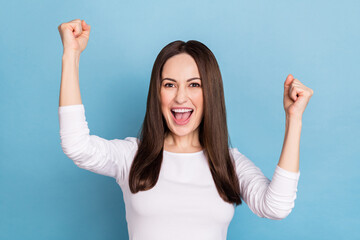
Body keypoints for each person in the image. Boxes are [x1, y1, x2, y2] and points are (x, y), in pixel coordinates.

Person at [57, 19, 314, 240]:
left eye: (194, 85)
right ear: (157, 93)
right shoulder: (132, 156)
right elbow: (77, 146)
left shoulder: (228, 163)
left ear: (210, 93)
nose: (181, 98)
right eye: (169, 85)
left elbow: (276, 206)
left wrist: (294, 119)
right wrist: (71, 54)